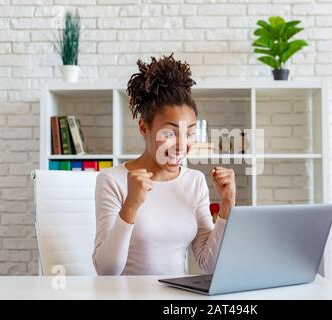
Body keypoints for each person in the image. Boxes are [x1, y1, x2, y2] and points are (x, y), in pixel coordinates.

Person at [92, 53, 236, 276]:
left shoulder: (194, 181)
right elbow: (106, 270)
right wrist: (131, 205)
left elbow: (209, 265)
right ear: (143, 127)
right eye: (170, 132)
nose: (181, 145)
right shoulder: (112, 180)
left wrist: (227, 204)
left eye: (189, 133)